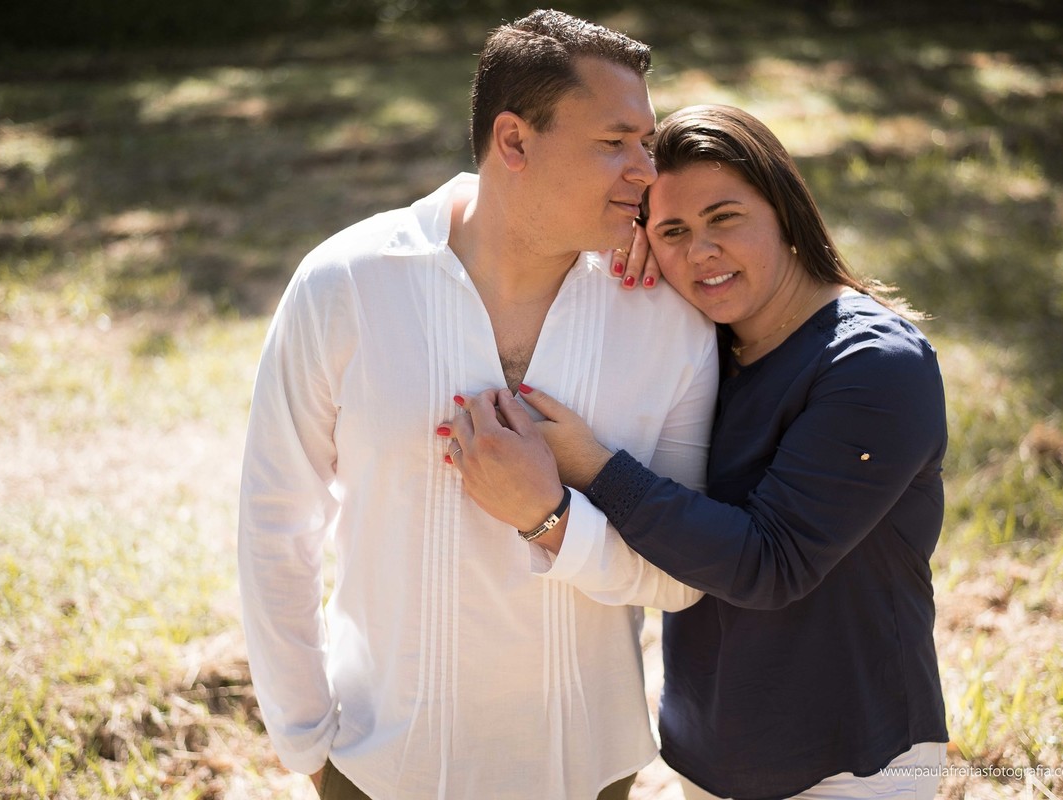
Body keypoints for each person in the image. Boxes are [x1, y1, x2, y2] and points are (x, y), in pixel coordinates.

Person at [237, 11, 721, 800]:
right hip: (375, 764)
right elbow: (275, 519)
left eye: (649, 143)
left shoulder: (668, 320)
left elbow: (685, 572)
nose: (646, 172)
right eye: (614, 143)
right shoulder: (346, 285)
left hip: (585, 767)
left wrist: (550, 517)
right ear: (515, 142)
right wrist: (306, 741)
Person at [440, 104, 949, 800]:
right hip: (711, 752)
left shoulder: (873, 366)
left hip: (852, 758)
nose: (700, 251)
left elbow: (773, 562)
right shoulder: (703, 343)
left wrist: (590, 469)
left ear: (784, 207)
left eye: (725, 218)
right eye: (672, 230)